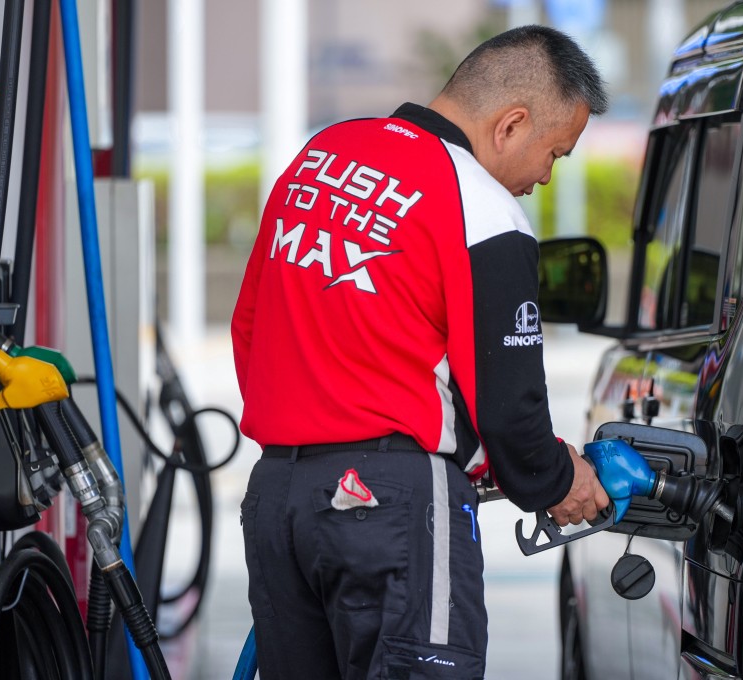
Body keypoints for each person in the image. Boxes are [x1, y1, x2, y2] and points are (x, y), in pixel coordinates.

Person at [231, 24, 610, 679]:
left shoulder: (322, 156)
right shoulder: (483, 208)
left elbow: (249, 327)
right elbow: (510, 405)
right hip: (393, 507)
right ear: (511, 125)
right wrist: (555, 479)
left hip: (277, 500)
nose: (545, 179)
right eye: (555, 154)